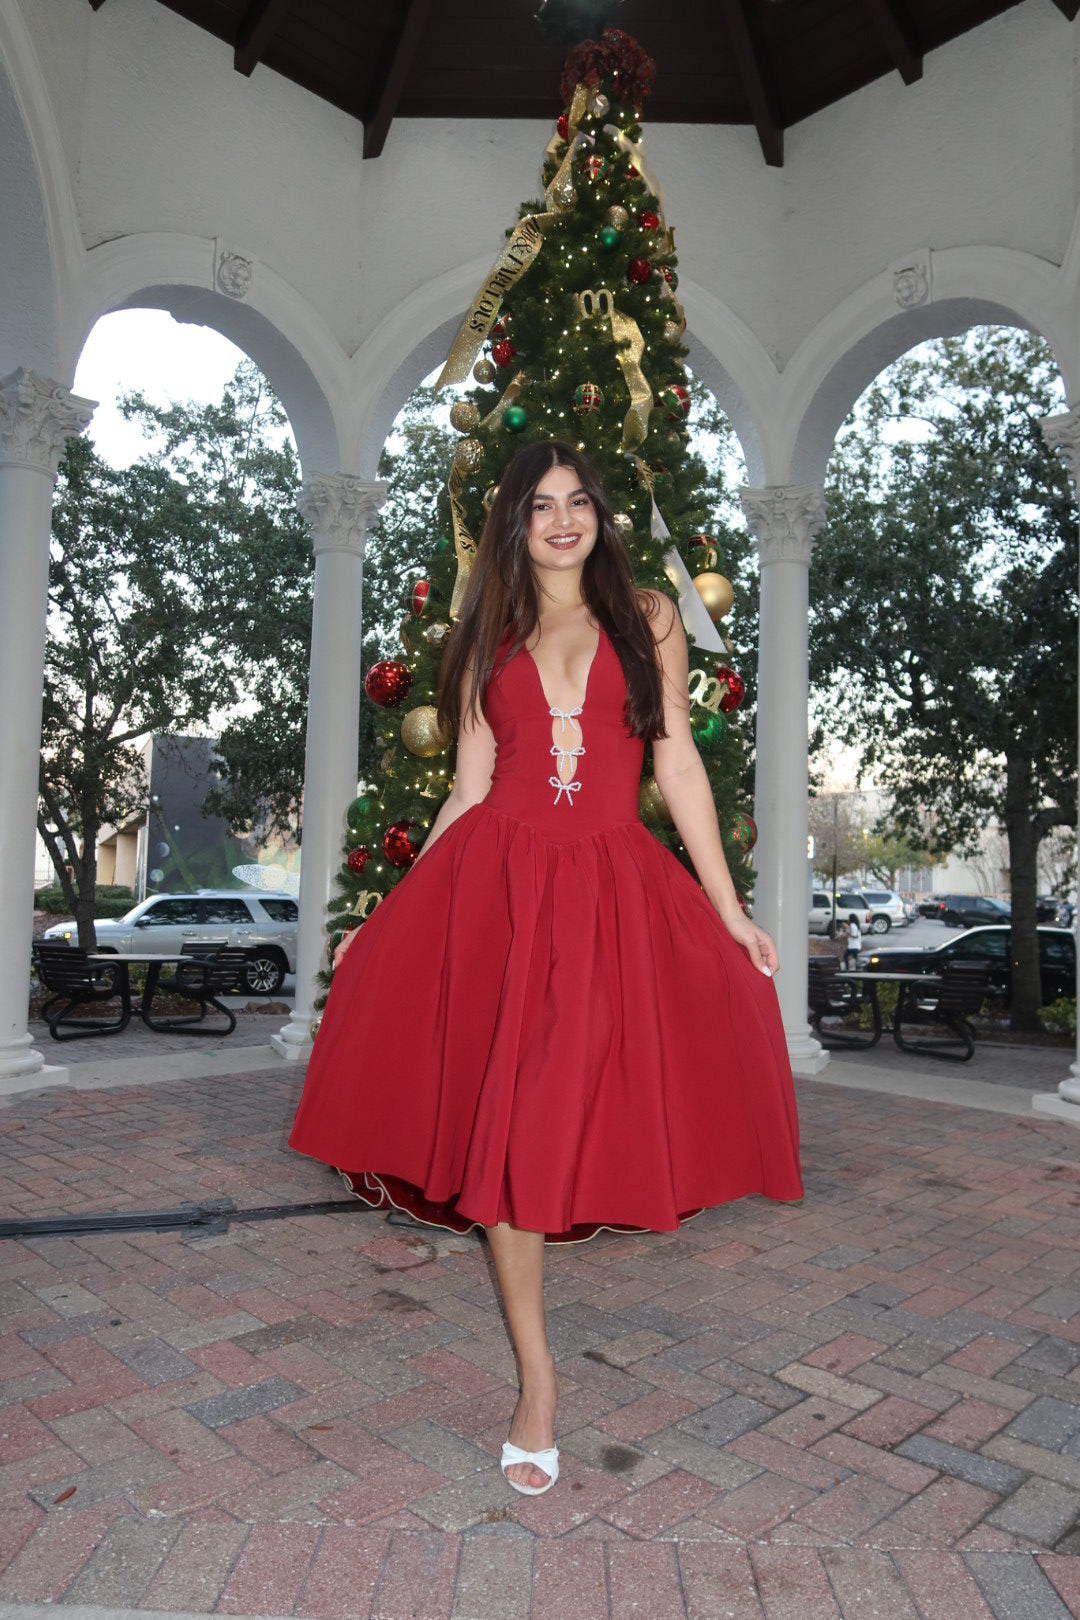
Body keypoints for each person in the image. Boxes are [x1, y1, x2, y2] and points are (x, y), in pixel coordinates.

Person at [289, 440, 802, 1497]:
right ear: (513, 525)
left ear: (601, 517)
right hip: (503, 896)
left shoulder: (648, 616)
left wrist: (728, 907)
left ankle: (542, 1357)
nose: (562, 520)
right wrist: (392, 914)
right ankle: (537, 1381)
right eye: (540, 506)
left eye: (578, 502)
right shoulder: (490, 635)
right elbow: (469, 791)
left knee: (569, 1113)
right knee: (512, 1139)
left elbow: (676, 760)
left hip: (613, 893)